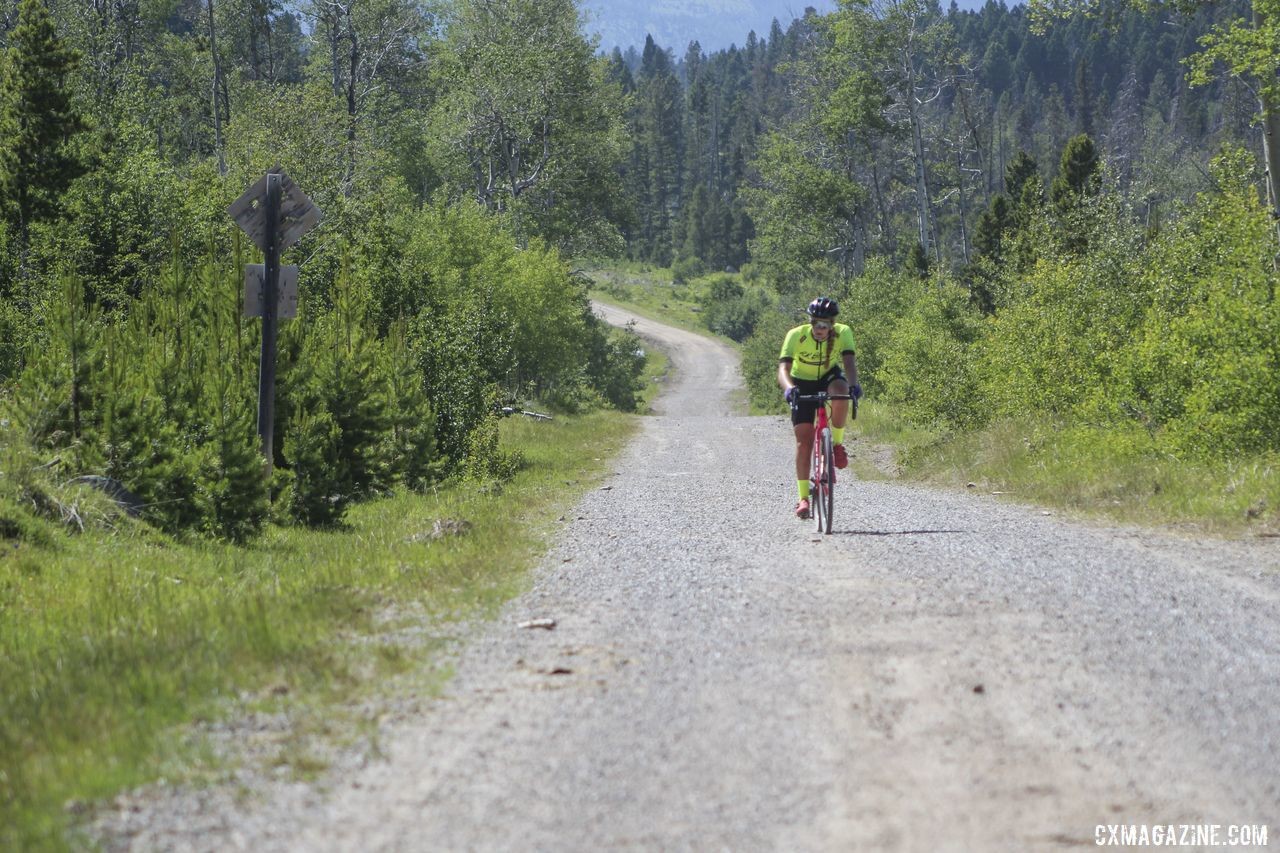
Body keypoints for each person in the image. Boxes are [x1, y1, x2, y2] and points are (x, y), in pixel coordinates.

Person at [777, 296, 862, 519]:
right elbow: (783, 369)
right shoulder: (796, 335)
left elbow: (849, 363)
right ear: (810, 322)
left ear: (833, 324)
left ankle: (837, 445)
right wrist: (789, 388)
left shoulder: (844, 333)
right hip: (801, 383)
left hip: (828, 377)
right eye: (815, 323)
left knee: (841, 390)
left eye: (824, 325)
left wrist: (853, 386)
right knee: (803, 443)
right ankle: (804, 498)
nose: (819, 328)